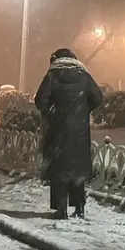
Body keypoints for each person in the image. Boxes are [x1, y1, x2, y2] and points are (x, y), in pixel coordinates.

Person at [34, 47, 103, 219]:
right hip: (79, 130)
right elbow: (98, 97)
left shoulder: (52, 75)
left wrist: (52, 111)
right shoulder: (84, 75)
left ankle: (61, 208)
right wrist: (83, 111)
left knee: (59, 170)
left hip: (57, 129)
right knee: (77, 169)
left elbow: (40, 101)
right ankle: (79, 207)